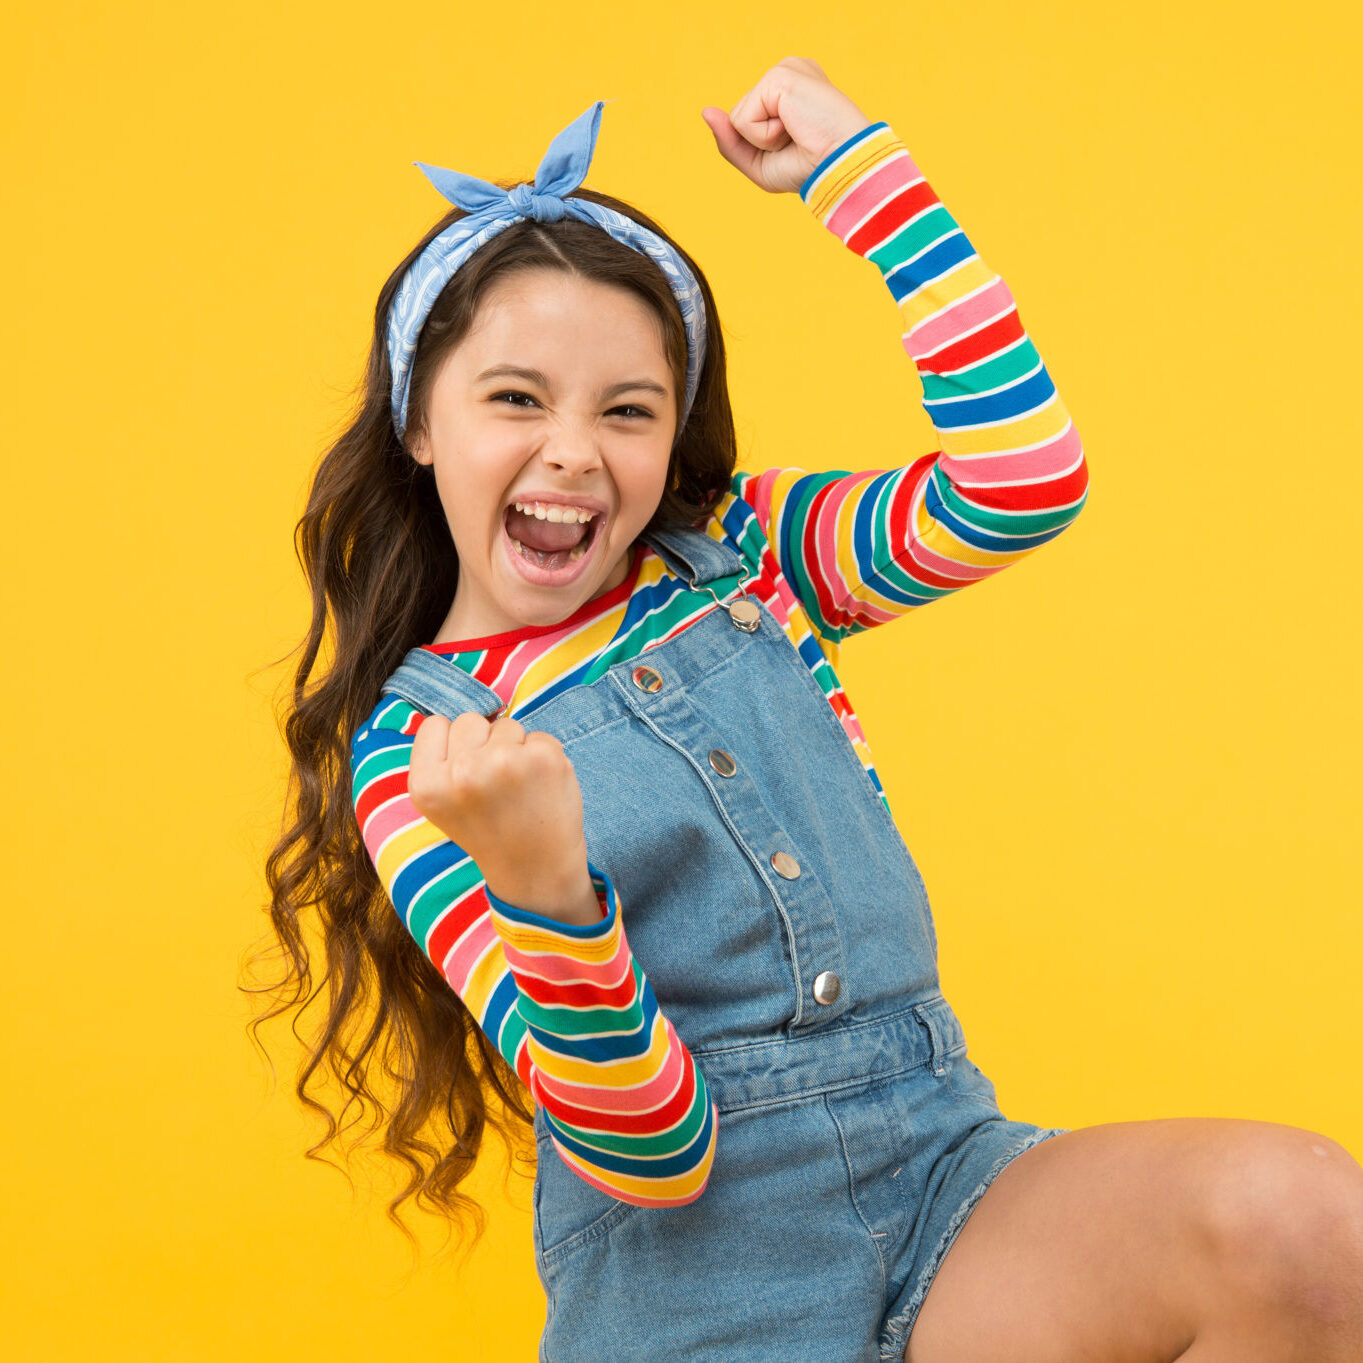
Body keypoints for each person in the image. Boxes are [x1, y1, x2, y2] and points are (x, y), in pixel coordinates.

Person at [259, 57, 1363, 1363]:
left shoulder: (753, 555)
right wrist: (543, 888)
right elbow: (650, 1152)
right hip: (702, 1292)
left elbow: (1022, 483)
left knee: (1301, 1225)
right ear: (418, 422)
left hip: (948, 1183)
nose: (572, 449)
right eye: (515, 399)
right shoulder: (419, 762)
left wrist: (864, 180)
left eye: (630, 410)